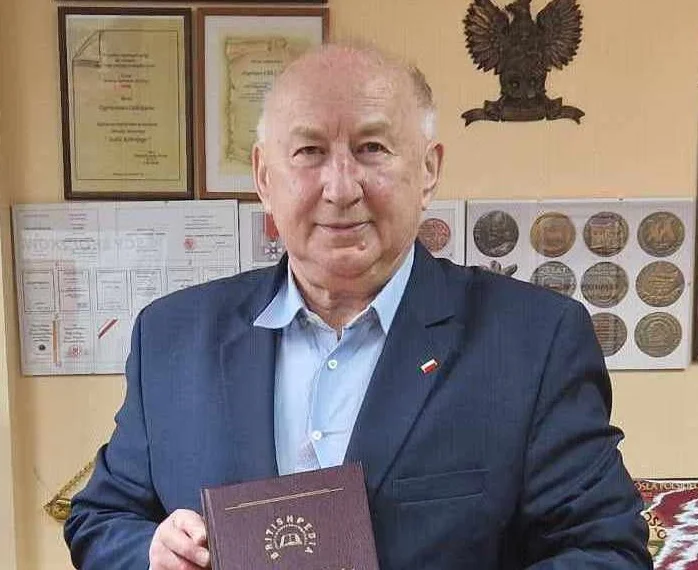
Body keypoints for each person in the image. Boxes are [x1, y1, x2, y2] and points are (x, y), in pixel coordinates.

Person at [65, 44, 651, 569]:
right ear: (264, 177)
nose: (341, 188)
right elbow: (101, 519)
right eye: (309, 151)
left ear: (428, 170)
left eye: (372, 148)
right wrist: (152, 554)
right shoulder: (171, 338)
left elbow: (605, 550)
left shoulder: (534, 342)